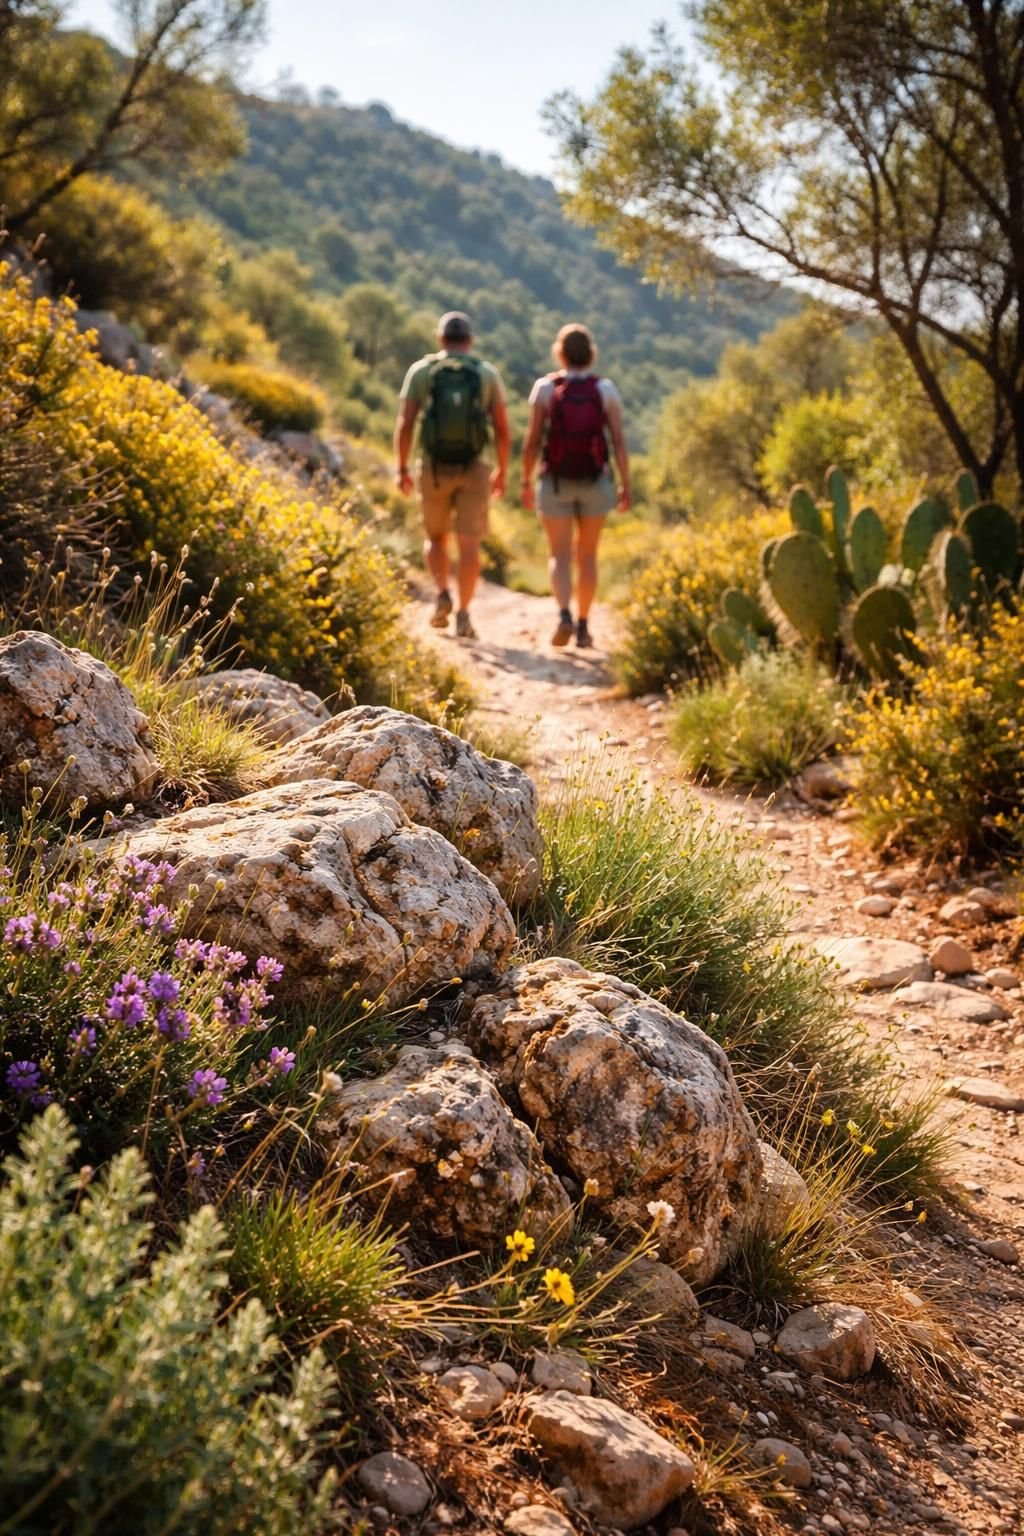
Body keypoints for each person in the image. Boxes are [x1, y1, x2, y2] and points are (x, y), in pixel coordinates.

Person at [395, 311, 509, 639]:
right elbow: (502, 429)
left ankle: (443, 593)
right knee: (469, 543)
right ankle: (464, 613)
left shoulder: (422, 371)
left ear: (441, 338)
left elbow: (405, 424)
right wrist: (502, 470)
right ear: (469, 341)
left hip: (432, 467)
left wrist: (402, 467)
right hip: (475, 467)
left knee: (435, 538)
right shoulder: (486, 374)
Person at [521, 323, 630, 647]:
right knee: (588, 556)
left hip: (554, 482)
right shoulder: (605, 389)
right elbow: (619, 443)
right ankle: (583, 625)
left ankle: (564, 615)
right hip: (596, 481)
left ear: (561, 352)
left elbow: (532, 440)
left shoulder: (545, 388)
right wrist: (626, 485)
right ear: (591, 353)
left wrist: (525, 480)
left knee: (559, 555)